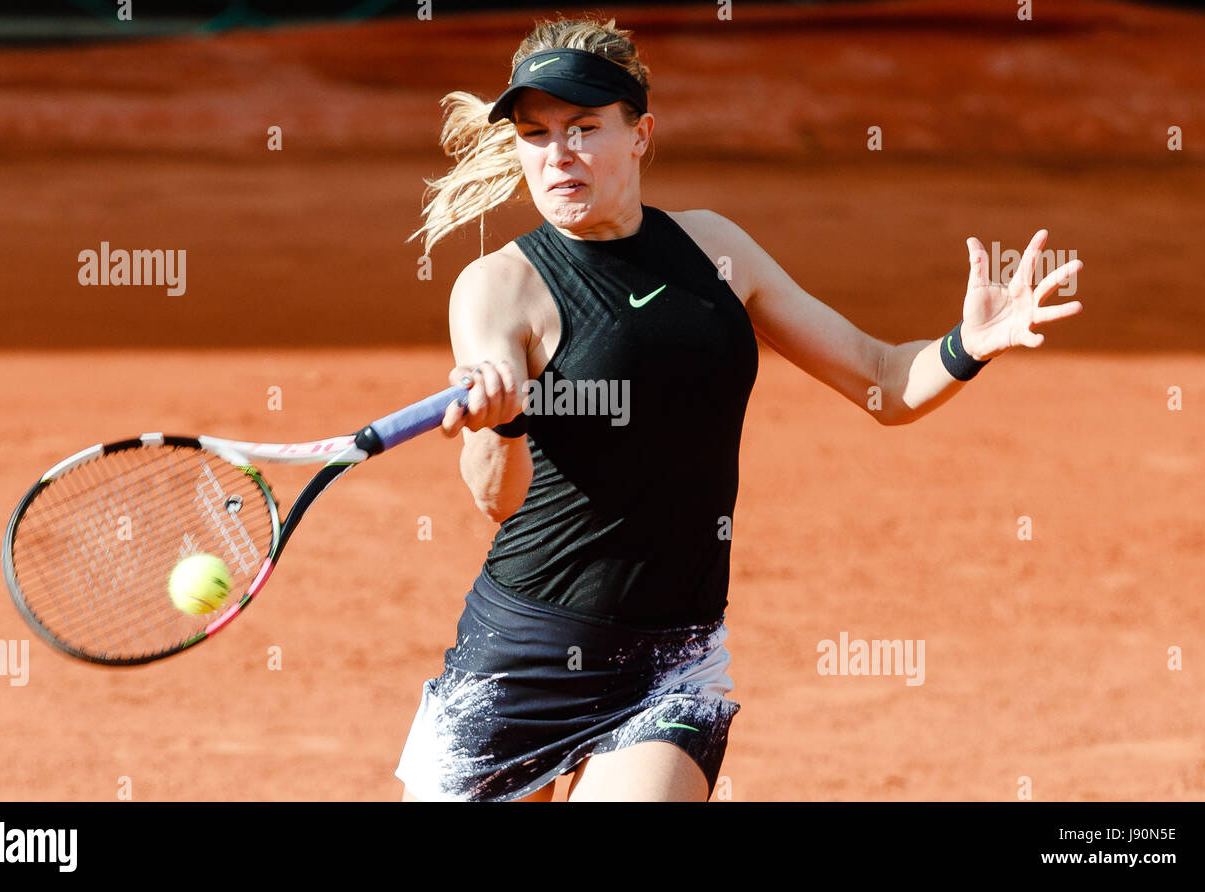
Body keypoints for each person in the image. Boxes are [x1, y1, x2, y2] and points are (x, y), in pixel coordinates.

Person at [395, 16, 1082, 803]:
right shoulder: (498, 286)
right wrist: (505, 420)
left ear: (641, 134)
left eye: (584, 128)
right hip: (521, 656)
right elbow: (496, 497)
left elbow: (883, 382)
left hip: (672, 660)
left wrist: (969, 344)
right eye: (536, 133)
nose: (558, 155)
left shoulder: (714, 249)